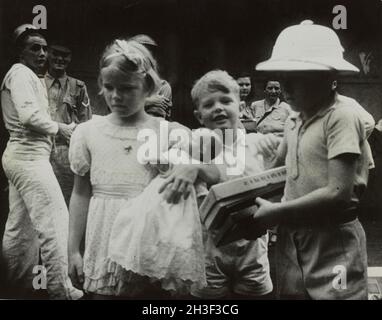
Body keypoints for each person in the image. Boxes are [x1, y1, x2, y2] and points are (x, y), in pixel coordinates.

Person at [68, 39, 221, 299]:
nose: (116, 96)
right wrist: (72, 249)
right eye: (109, 87)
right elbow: (81, 193)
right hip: (104, 236)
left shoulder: (167, 131)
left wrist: (193, 167)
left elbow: (218, 172)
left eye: (127, 88)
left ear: (148, 87)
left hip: (151, 238)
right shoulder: (87, 132)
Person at [253, 20, 375, 299]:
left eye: (296, 78)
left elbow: (338, 192)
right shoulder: (294, 118)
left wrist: (277, 212)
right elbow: (277, 171)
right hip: (292, 237)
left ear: (327, 76)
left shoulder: (341, 116)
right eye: (281, 78)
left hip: (333, 239)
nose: (285, 87)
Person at [1, 24, 82, 299]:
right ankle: (62, 291)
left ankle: (16, 286)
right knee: (56, 221)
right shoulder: (21, 74)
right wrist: (62, 128)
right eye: (34, 47)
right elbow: (28, 117)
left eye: (44, 48)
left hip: (25, 156)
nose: (42, 53)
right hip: (28, 158)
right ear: (20, 51)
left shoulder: (27, 76)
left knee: (20, 227)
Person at [189, 70, 274, 299]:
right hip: (209, 249)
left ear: (240, 105)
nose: (218, 107)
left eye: (226, 101)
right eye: (209, 104)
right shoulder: (195, 146)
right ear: (199, 116)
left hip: (252, 248)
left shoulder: (257, 144)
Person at [45, 42, 92, 206]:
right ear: (48, 54)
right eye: (55, 53)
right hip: (40, 149)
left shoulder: (78, 87)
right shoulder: (36, 83)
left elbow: (86, 122)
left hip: (65, 153)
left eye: (65, 55)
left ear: (70, 58)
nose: (59, 58)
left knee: (65, 201)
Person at [129, 34, 172, 120]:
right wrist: (150, 101)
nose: (145, 55)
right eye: (140, 50)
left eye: (149, 51)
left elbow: (157, 115)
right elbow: (117, 109)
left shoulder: (162, 86)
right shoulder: (122, 80)